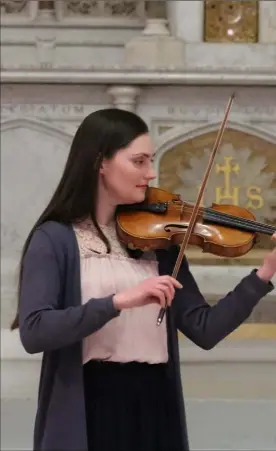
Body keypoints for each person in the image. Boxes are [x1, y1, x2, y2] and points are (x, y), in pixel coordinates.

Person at [11, 108, 275, 451]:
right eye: (138, 161)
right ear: (100, 162)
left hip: (154, 402)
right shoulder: (56, 239)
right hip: (91, 407)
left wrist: (265, 273)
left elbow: (204, 328)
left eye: (150, 161)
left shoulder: (157, 244)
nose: (151, 173)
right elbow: (35, 331)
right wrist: (120, 301)